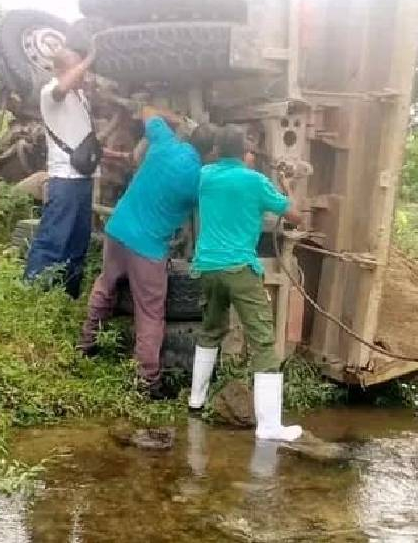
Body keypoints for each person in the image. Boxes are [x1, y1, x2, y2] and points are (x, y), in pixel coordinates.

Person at [76, 105, 215, 398]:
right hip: (148, 248)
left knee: (105, 286)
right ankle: (147, 381)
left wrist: (179, 119)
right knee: (150, 313)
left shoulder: (164, 142)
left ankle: (85, 344)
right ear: (210, 153)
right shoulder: (199, 180)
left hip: (118, 229)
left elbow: (146, 109)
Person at [186, 126, 306, 442]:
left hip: (208, 267)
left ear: (216, 151)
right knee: (263, 342)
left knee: (211, 330)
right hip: (240, 269)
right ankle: (269, 426)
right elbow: (296, 217)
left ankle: (195, 400)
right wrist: (287, 186)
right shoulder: (255, 181)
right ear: (244, 153)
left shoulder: (205, 175)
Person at [23, 46, 97, 299]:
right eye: (75, 68)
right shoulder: (51, 92)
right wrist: (88, 59)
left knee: (78, 242)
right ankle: (34, 294)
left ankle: (67, 295)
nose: (82, 74)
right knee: (53, 239)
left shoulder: (81, 99)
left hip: (84, 179)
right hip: (64, 179)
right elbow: (61, 88)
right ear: (60, 70)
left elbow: (83, 138)